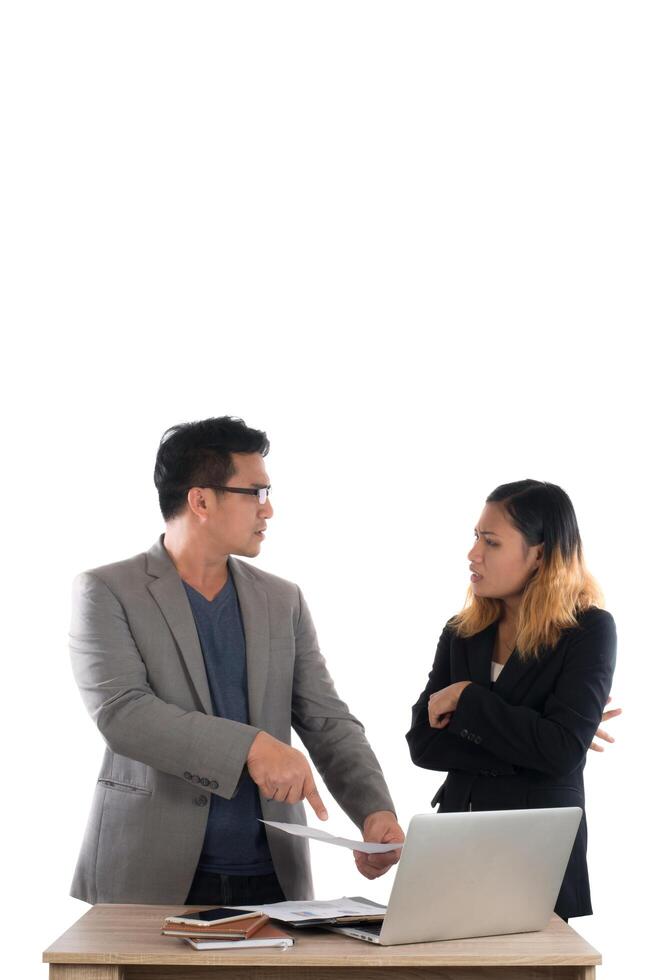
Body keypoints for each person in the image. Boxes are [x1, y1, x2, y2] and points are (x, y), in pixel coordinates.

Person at [69, 416, 403, 906]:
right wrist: (252, 747)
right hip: (148, 875)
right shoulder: (107, 590)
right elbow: (123, 714)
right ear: (201, 500)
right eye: (256, 492)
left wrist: (373, 809)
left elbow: (326, 718)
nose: (268, 510)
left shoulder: (282, 599)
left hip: (272, 878)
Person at [406, 480, 618, 921]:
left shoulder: (589, 631)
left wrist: (467, 700)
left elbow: (559, 752)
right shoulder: (461, 631)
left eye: (491, 541)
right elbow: (423, 743)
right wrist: (532, 734)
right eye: (476, 538)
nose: (473, 554)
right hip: (456, 846)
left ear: (539, 553)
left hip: (536, 854)